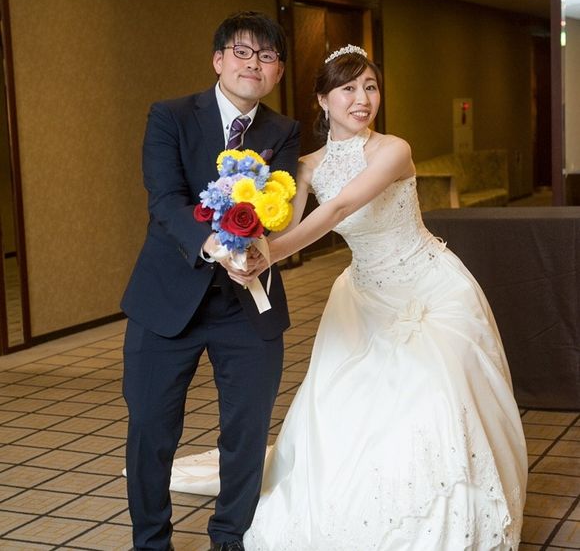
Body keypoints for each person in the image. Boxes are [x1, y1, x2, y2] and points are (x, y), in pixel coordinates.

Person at [172, 45, 528, 550]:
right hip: (363, 296)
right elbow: (286, 225)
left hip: (428, 290)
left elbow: (338, 209)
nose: (362, 99)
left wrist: (268, 255)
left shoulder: (393, 150)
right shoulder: (306, 166)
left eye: (370, 87)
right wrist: (242, 240)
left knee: (437, 397)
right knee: (350, 410)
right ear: (323, 99)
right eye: (348, 88)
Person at [121, 11, 300, 551]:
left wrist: (256, 250)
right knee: (152, 430)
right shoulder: (171, 116)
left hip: (246, 302)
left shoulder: (283, 132)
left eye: (266, 56)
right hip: (167, 299)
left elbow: (281, 210)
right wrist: (214, 247)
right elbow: (165, 199)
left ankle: (229, 536)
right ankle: (151, 541)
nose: (253, 64)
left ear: (278, 71)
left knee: (245, 432)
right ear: (218, 60)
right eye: (242, 52)